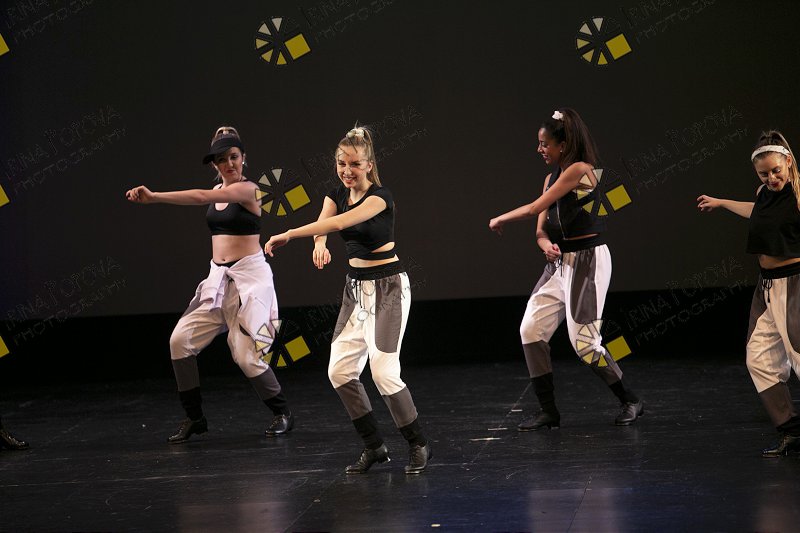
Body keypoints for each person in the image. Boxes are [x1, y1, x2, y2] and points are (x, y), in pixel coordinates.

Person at [263, 124, 431, 474]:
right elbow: (325, 225)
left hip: (388, 288)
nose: (347, 171)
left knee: (384, 373)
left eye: (355, 164)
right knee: (339, 371)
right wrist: (319, 244)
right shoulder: (335, 195)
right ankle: (374, 447)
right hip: (355, 291)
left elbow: (339, 223)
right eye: (342, 164)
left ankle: (418, 444)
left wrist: (290, 233)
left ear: (369, 165)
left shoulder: (380, 197)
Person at [125, 126, 294, 443]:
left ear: (243, 157)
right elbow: (210, 197)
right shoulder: (219, 189)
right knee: (179, 341)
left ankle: (282, 412)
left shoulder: (249, 190)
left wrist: (154, 197)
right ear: (215, 164)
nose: (229, 164)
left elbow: (202, 196)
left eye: (234, 157)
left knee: (245, 356)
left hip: (248, 282)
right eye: (222, 159)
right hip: (218, 281)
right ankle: (195, 418)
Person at [489, 108, 642, 431]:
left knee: (585, 343)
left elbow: (534, 208)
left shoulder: (580, 170)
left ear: (563, 144)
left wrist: (500, 218)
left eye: (544, 144)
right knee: (531, 330)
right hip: (560, 264)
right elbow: (541, 229)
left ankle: (630, 399)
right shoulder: (550, 179)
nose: (539, 149)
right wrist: (545, 245)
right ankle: (549, 411)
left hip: (588, 260)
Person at [697, 130, 800, 457]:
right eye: (763, 174)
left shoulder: (799, 193)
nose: (771, 179)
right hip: (766, 286)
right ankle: (791, 430)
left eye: (776, 171)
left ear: (788, 162)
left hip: (794, 283)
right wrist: (722, 203)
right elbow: (757, 210)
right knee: (759, 357)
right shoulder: (764, 192)